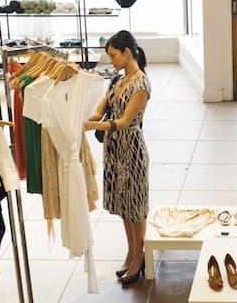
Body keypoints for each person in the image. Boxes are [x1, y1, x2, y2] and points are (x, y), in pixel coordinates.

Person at [84, 30, 150, 286]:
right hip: (113, 150)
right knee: (124, 204)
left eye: (113, 55)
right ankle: (131, 251)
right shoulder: (116, 80)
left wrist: (93, 127)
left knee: (135, 204)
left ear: (127, 52)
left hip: (131, 150)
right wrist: (79, 119)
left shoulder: (141, 84)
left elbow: (124, 122)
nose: (111, 60)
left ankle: (139, 254)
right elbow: (100, 110)